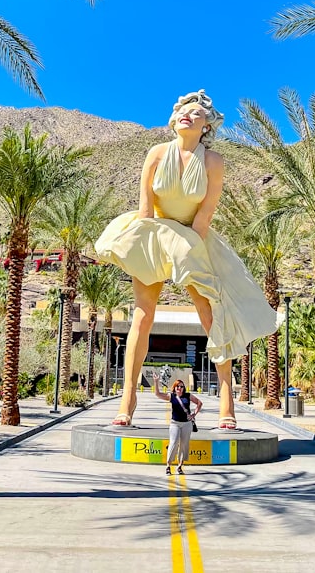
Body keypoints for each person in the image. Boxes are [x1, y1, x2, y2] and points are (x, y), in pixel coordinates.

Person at [95, 90, 277, 429]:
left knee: (210, 314)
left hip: (194, 239)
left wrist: (187, 250)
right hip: (154, 233)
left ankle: (226, 402)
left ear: (207, 125)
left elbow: (204, 215)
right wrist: (144, 244)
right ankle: (128, 399)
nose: (187, 116)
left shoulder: (213, 161)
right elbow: (146, 209)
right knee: (142, 316)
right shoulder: (156, 153)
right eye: (183, 110)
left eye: (195, 113)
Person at [153, 375, 201, 475]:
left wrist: (194, 414)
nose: (179, 388)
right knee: (173, 443)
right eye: (177, 386)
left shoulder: (188, 396)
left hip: (186, 424)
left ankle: (180, 466)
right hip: (175, 423)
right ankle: (168, 465)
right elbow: (157, 394)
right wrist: (156, 382)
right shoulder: (172, 396)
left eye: (181, 386)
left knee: (184, 445)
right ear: (174, 388)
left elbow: (199, 403)